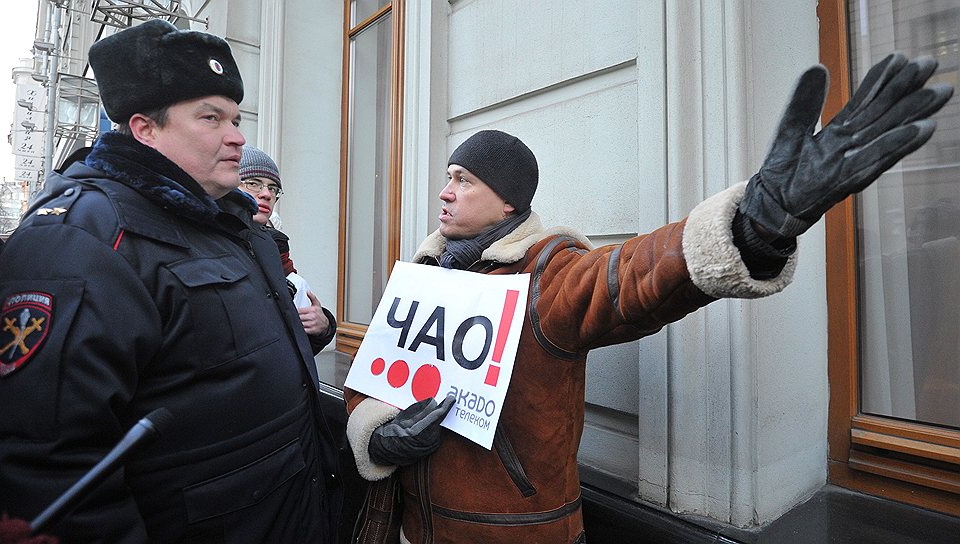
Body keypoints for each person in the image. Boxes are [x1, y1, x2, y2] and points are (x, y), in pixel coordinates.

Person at [344, 53, 954, 543]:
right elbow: (370, 380)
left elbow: (627, 279)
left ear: (508, 203)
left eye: (464, 180)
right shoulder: (423, 271)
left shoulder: (549, 275)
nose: (445, 192)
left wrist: (750, 228)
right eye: (448, 177)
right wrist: (376, 435)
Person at [0, 20, 342, 543]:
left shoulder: (237, 228)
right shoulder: (81, 239)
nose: (237, 136)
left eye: (236, 117)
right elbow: (46, 467)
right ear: (144, 128)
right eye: (211, 118)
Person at [238, 145, 331, 332]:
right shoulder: (203, 246)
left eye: (273, 188)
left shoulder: (289, 276)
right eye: (253, 183)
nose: (266, 194)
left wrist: (324, 327)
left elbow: (297, 351)